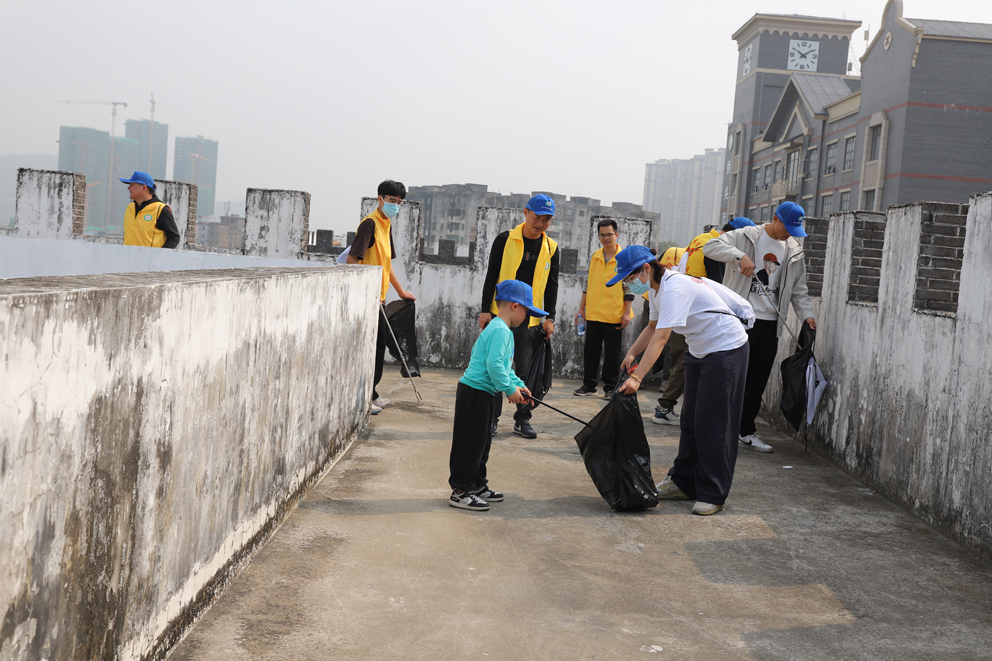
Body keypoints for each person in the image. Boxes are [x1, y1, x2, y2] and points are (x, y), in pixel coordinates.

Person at [611, 246, 753, 516]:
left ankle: (713, 492)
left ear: (646, 269)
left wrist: (637, 377)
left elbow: (663, 339)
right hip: (699, 349)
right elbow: (652, 328)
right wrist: (632, 353)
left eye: (630, 278)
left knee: (714, 422)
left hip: (726, 349)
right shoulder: (656, 290)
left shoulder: (674, 287)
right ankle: (683, 482)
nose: (630, 284)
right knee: (690, 420)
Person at [702, 202, 816, 453]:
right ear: (774, 218)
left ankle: (746, 431)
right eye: (786, 227)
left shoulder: (795, 250)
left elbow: (799, 289)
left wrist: (807, 315)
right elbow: (709, 247)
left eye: (794, 229)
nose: (789, 233)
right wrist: (739, 256)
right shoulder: (746, 236)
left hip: (770, 324)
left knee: (756, 380)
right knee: (728, 377)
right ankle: (717, 429)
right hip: (740, 321)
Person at [449, 280, 541, 511]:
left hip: (486, 393)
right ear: (513, 306)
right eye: (526, 311)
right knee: (470, 443)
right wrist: (510, 391)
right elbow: (494, 367)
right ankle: (461, 490)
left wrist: (520, 386)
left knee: (482, 443)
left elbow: (505, 368)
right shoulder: (500, 330)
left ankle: (477, 485)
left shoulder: (504, 330)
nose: (527, 317)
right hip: (475, 392)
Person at [655, 217, 755, 426]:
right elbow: (715, 284)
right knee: (687, 363)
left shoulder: (700, 239)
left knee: (679, 362)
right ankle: (665, 407)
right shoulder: (716, 250)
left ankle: (668, 407)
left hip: (683, 307)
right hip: (696, 313)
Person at [478, 194, 559, 439]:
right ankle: (491, 419)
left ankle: (523, 419)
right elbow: (491, 274)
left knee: (525, 371)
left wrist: (550, 317)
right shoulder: (505, 240)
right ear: (525, 213)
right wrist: (484, 309)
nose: (541, 223)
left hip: (530, 321)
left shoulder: (551, 248)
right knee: (495, 367)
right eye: (537, 217)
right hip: (501, 315)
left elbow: (552, 285)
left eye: (547, 220)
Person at [347, 180, 417, 415]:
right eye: (391, 201)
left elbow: (387, 265)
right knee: (374, 351)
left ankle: (372, 393)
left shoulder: (385, 225)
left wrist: (400, 291)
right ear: (379, 199)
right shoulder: (370, 224)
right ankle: (366, 398)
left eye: (399, 203)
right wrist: (366, 294)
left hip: (380, 298)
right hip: (368, 300)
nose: (395, 206)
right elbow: (352, 261)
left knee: (378, 349)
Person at [574, 219, 634, 399]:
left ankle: (610, 387)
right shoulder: (595, 257)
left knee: (612, 355)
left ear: (616, 235)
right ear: (598, 236)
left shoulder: (624, 258)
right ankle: (589, 385)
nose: (606, 238)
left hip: (614, 314)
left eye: (609, 234)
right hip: (593, 313)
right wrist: (581, 309)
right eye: (602, 235)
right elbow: (587, 284)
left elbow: (628, 287)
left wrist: (626, 312)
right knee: (591, 352)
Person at [119, 171, 180, 249]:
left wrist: (159, 257)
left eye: (132, 185)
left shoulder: (161, 209)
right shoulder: (130, 208)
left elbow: (174, 237)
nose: (128, 188)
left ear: (144, 187)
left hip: (149, 260)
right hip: (128, 258)